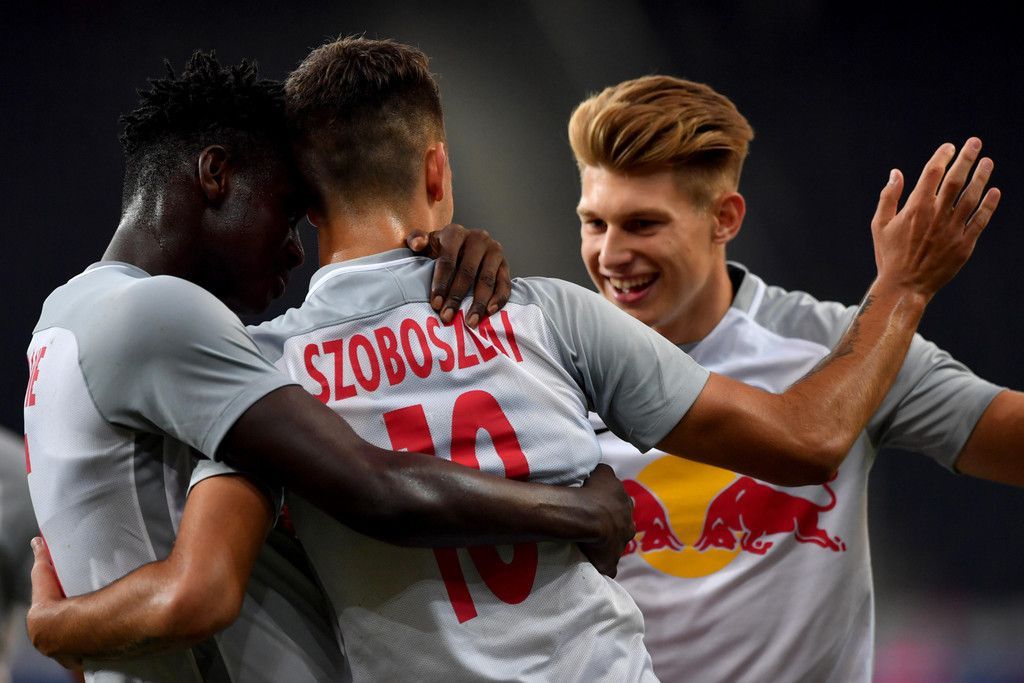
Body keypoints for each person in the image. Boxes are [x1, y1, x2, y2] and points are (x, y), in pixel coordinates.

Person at [30, 38, 997, 679]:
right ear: (438, 168)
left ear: (308, 204)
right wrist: (905, 286)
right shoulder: (544, 314)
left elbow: (201, 586)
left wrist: (59, 623)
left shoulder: (262, 373)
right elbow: (811, 437)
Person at [20, 51, 640, 682]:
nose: (297, 249)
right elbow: (370, 487)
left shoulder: (62, 326)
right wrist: (583, 513)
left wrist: (435, 244)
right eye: (289, 210)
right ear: (216, 174)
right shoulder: (158, 315)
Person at [568, 75, 1019, 682]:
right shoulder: (552, 369)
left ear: (724, 218)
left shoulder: (848, 349)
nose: (611, 255)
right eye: (595, 224)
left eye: (643, 225)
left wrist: (904, 291)